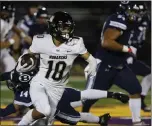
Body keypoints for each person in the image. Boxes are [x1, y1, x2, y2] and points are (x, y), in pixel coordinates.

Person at [15, 11, 98, 125]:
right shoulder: (41, 41)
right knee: (45, 110)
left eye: (68, 27)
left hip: (57, 88)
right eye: (63, 27)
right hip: (40, 83)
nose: (66, 31)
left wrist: (92, 65)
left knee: (48, 121)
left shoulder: (76, 43)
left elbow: (91, 58)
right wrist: (22, 67)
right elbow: (27, 58)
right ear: (54, 27)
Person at [0, 54, 129, 126]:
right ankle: (108, 102)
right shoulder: (36, 72)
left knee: (72, 118)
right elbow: (11, 75)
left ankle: (100, 119)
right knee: (82, 96)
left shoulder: (26, 91)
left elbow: (7, 111)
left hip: (55, 106)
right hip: (60, 91)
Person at [82, 1, 150, 126]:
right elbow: (107, 42)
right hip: (105, 65)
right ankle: (77, 113)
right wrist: (126, 49)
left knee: (135, 89)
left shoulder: (126, 21)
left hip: (119, 65)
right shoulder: (119, 20)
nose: (138, 16)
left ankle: (137, 122)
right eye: (135, 12)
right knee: (90, 96)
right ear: (125, 10)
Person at [126, 2, 151, 112]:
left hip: (133, 50)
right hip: (124, 51)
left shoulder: (146, 19)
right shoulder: (124, 20)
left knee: (149, 74)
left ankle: (140, 99)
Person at [0, 2, 30, 72]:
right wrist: (12, 41)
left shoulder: (9, 19)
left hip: (3, 50)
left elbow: (12, 25)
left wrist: (23, 35)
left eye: (6, 12)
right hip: (2, 47)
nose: (4, 14)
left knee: (12, 69)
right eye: (3, 12)